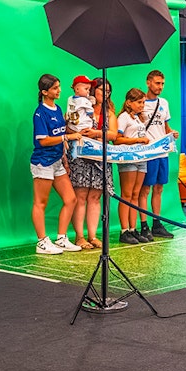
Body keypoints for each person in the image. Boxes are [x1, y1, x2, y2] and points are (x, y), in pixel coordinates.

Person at [31, 74, 84, 254]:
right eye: (55, 88)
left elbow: (61, 135)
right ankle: (42, 242)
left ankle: (61, 238)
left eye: (59, 87)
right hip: (42, 162)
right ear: (45, 92)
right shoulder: (40, 113)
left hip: (57, 162)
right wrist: (67, 137)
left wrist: (64, 157)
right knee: (40, 203)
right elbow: (43, 140)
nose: (59, 90)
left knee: (70, 199)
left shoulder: (58, 108)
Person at [70, 77, 115, 249]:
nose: (106, 94)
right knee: (80, 196)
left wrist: (95, 132)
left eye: (109, 91)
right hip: (81, 156)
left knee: (95, 197)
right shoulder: (78, 106)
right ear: (92, 90)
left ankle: (93, 235)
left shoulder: (109, 112)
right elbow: (69, 127)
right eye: (102, 90)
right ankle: (79, 237)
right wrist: (79, 131)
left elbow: (113, 135)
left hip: (100, 159)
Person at [139, 69, 179, 240]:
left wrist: (172, 132)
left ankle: (157, 223)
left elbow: (165, 126)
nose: (160, 87)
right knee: (145, 189)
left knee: (159, 188)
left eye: (162, 84)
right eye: (157, 83)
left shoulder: (164, 102)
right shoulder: (140, 103)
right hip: (147, 153)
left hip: (162, 151)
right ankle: (143, 225)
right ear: (148, 82)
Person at [115, 88, 151, 244]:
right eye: (139, 102)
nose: (142, 105)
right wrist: (136, 141)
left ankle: (132, 228)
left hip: (141, 157)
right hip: (128, 157)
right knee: (127, 195)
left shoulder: (138, 118)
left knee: (136, 194)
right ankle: (124, 231)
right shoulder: (123, 117)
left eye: (143, 102)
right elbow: (117, 139)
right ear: (129, 102)